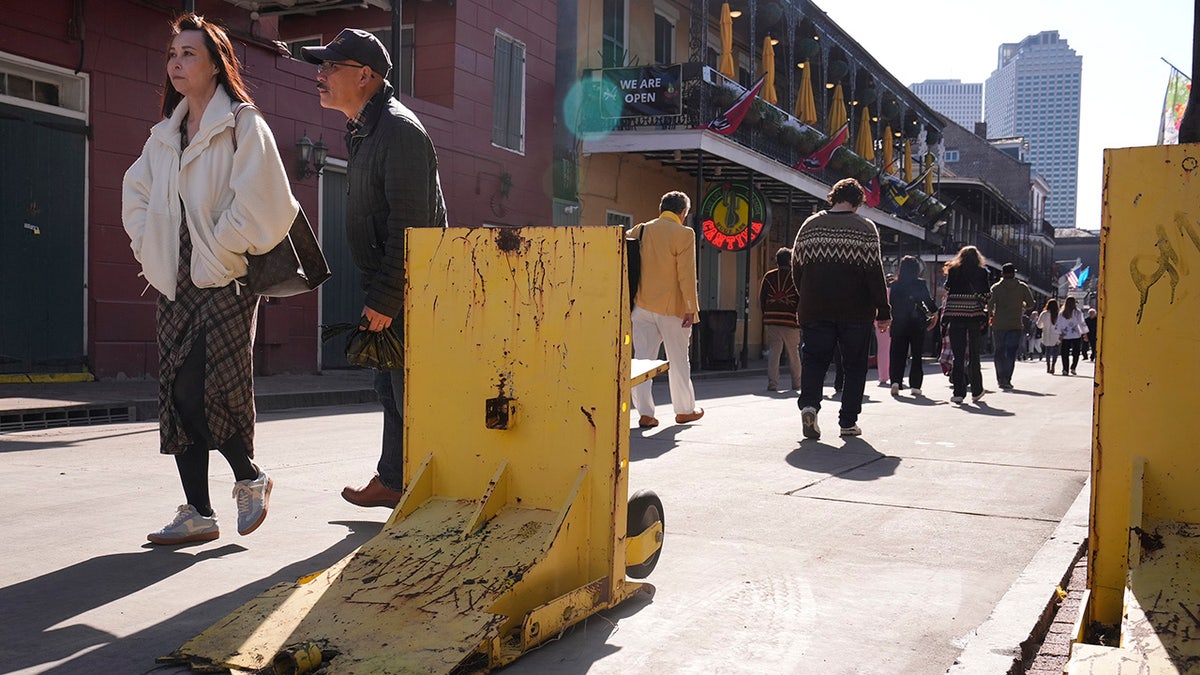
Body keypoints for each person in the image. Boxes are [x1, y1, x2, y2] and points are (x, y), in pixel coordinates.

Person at [123, 13, 297, 544]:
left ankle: (249, 475)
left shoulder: (243, 124)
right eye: (172, 54)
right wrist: (148, 247)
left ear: (217, 64)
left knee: (207, 386)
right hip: (175, 278)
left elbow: (267, 201)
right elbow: (137, 197)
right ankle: (198, 511)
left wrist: (221, 246)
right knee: (176, 391)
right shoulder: (165, 136)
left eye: (189, 53)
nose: (177, 63)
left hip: (225, 276)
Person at [302, 29, 448, 507]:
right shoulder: (367, 127)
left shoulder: (399, 130)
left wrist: (386, 298)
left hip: (413, 291)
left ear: (365, 76)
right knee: (390, 388)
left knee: (414, 397)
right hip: (394, 287)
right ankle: (394, 479)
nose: (320, 76)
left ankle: (430, 495)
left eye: (330, 67)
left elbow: (414, 226)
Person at [792, 178, 891, 438]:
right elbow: (874, 272)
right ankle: (847, 422)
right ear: (858, 201)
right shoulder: (865, 228)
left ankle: (810, 406)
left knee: (814, 361)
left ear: (833, 197)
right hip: (855, 312)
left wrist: (805, 297)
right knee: (854, 366)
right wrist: (883, 310)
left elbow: (797, 266)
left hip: (815, 308)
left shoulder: (810, 225)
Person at [629, 191, 704, 428]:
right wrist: (691, 307)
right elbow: (686, 274)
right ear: (683, 213)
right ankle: (684, 410)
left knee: (642, 361)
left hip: (640, 306)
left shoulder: (640, 230)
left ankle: (645, 413)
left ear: (661, 208)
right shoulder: (684, 233)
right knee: (678, 359)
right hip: (673, 308)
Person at [941, 246, 991, 405]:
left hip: (955, 315)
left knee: (958, 355)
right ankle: (976, 391)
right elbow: (987, 294)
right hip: (973, 316)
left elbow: (947, 288)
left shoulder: (954, 270)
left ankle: (958, 392)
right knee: (974, 354)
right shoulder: (982, 272)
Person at [887, 256, 937, 397]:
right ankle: (915, 386)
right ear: (917, 269)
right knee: (916, 355)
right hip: (916, 324)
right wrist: (935, 312)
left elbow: (892, 305)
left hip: (898, 323)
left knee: (897, 354)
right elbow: (927, 300)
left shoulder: (895, 285)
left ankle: (895, 382)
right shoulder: (919, 284)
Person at [987, 262, 1035, 390]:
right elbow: (1031, 303)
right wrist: (1021, 305)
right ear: (1014, 273)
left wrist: (990, 316)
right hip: (1015, 324)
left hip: (999, 324)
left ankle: (1000, 379)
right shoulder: (1022, 287)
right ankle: (1007, 379)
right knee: (1011, 353)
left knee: (999, 352)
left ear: (1002, 273)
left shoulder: (996, 288)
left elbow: (990, 304)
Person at [759, 247, 802, 392]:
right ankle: (796, 383)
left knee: (774, 352)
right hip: (790, 321)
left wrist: (767, 314)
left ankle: (773, 384)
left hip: (772, 319)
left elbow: (762, 298)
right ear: (790, 261)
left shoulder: (768, 276)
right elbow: (800, 299)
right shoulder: (796, 277)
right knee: (793, 353)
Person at [1057, 296, 1088, 375]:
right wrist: (1084, 333)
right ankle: (1073, 367)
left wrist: (1059, 333)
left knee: (1065, 353)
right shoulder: (1078, 312)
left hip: (1065, 335)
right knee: (1076, 353)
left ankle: (1065, 369)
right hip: (1076, 335)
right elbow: (1082, 323)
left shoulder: (1062, 313)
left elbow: (1059, 324)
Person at [876, 275, 894, 387]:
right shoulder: (896, 292)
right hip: (896, 320)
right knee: (895, 348)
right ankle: (894, 374)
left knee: (882, 348)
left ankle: (883, 376)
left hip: (880, 320)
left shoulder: (882, 293)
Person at [1036, 299, 1062, 373]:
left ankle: (1048, 365)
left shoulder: (1044, 313)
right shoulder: (1059, 314)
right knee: (1055, 352)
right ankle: (1053, 365)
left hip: (1046, 335)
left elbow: (1039, 325)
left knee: (1048, 351)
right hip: (1056, 336)